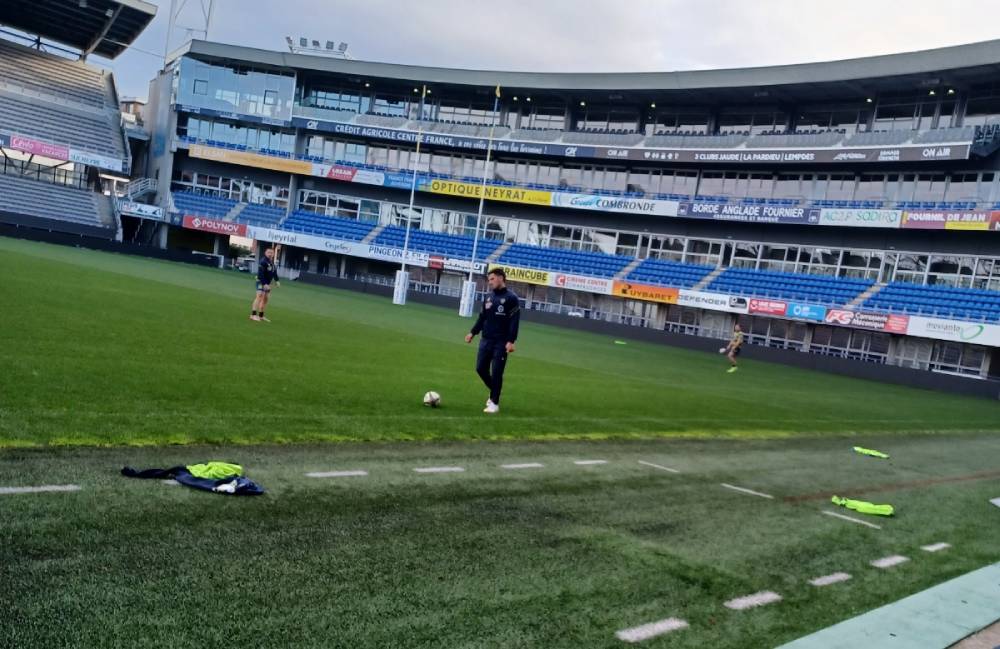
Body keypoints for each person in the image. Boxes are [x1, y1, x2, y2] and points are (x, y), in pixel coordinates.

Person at [465, 269, 520, 414]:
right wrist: (472, 332)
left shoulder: (511, 298)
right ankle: (495, 391)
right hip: (486, 340)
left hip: (501, 342)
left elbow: (514, 321)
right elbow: (482, 318)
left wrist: (511, 340)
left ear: (501, 278)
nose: (490, 282)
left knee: (496, 372)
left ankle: (494, 403)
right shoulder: (488, 297)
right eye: (489, 280)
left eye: (492, 279)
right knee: (480, 369)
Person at [250, 247, 279, 322]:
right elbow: (260, 274)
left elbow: (274, 272)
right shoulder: (263, 261)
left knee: (266, 299)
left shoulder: (272, 263)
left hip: (268, 284)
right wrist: (264, 284)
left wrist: (277, 280)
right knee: (259, 296)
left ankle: (261, 316)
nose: (270, 254)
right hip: (261, 282)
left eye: (271, 253)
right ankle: (253, 315)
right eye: (268, 252)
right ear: (265, 253)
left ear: (273, 254)